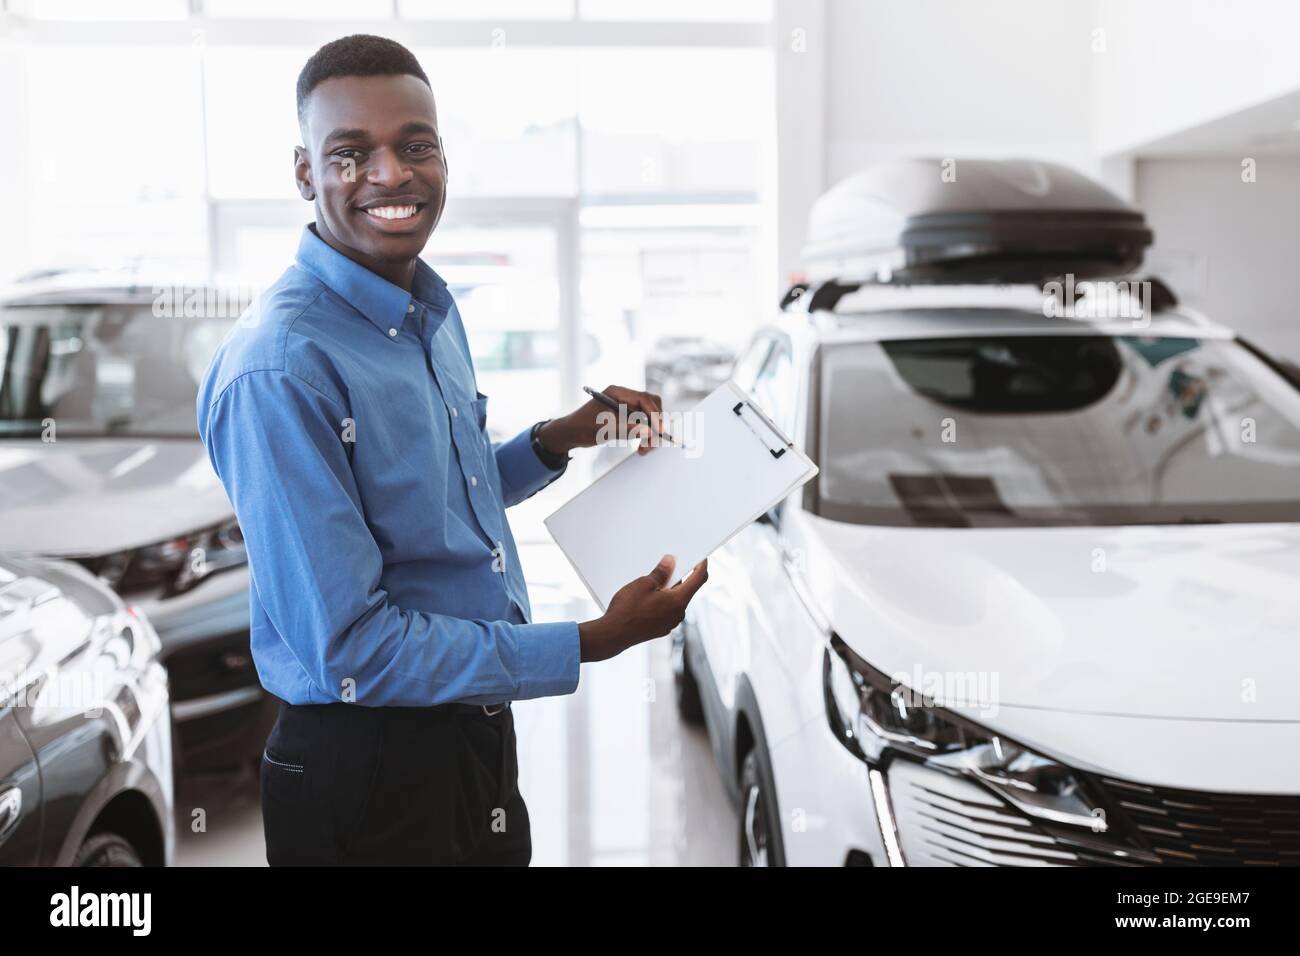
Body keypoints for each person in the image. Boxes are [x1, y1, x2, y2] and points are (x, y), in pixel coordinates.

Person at [196, 33, 708, 866]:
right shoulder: (280, 370)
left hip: (470, 727)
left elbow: (436, 498)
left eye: (416, 146)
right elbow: (352, 652)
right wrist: (588, 641)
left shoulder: (427, 309)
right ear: (304, 173)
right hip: (366, 767)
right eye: (351, 153)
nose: (391, 174)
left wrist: (556, 441)